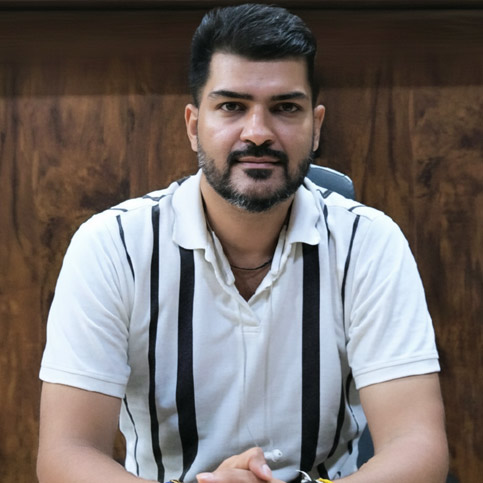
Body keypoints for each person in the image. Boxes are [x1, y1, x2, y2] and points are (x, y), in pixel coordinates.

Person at [37, 4, 448, 483]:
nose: (257, 133)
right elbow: (66, 454)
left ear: (316, 127)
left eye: (285, 108)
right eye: (232, 106)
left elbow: (416, 446)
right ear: (194, 126)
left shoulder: (370, 243)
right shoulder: (113, 247)